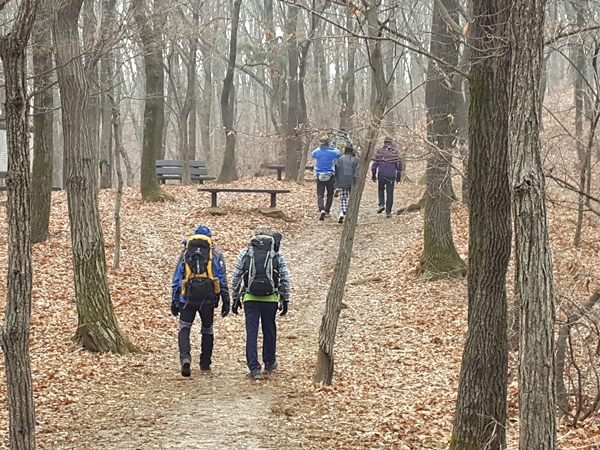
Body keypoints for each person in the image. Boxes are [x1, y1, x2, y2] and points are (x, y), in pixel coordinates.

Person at [230, 225, 291, 380]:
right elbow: (284, 276)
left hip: (250, 297)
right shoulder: (276, 253)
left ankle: (254, 367)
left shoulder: (246, 252)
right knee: (269, 330)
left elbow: (236, 276)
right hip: (270, 298)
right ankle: (269, 362)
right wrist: (286, 299)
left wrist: (235, 297)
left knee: (252, 332)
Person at [171, 224, 230, 377]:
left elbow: (177, 277)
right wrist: (225, 298)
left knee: (184, 327)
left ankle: (185, 357)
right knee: (207, 329)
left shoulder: (186, 253)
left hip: (187, 298)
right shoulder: (215, 253)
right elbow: (221, 277)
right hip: (208, 298)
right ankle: (205, 362)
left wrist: (174, 300)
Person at [371, 136, 403, 218]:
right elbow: (399, 164)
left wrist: (373, 173)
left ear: (384, 142)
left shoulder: (380, 151)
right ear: (391, 143)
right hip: (391, 175)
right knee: (390, 193)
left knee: (381, 189)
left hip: (382, 174)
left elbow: (375, 163)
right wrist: (399, 175)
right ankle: (388, 211)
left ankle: (381, 204)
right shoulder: (395, 152)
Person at [311, 136, 341, 220]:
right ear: (328, 143)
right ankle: (327, 210)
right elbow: (339, 153)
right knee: (330, 194)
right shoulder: (332, 152)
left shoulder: (317, 152)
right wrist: (333, 147)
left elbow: (312, 154)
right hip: (330, 175)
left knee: (320, 194)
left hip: (319, 175)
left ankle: (321, 209)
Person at [334, 143, 359, 224]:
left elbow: (337, 171)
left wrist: (336, 183)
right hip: (352, 181)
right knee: (352, 197)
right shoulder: (356, 159)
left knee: (343, 197)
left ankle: (342, 212)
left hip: (342, 180)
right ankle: (350, 213)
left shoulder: (340, 159)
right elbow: (357, 172)